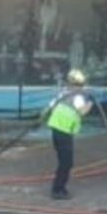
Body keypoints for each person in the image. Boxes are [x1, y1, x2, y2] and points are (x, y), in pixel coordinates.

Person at [42, 68, 92, 200]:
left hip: (55, 130)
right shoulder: (78, 97)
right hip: (64, 131)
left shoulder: (63, 94)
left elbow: (48, 108)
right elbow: (82, 112)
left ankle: (58, 187)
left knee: (62, 161)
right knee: (66, 162)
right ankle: (58, 189)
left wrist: (40, 117)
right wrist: (90, 104)